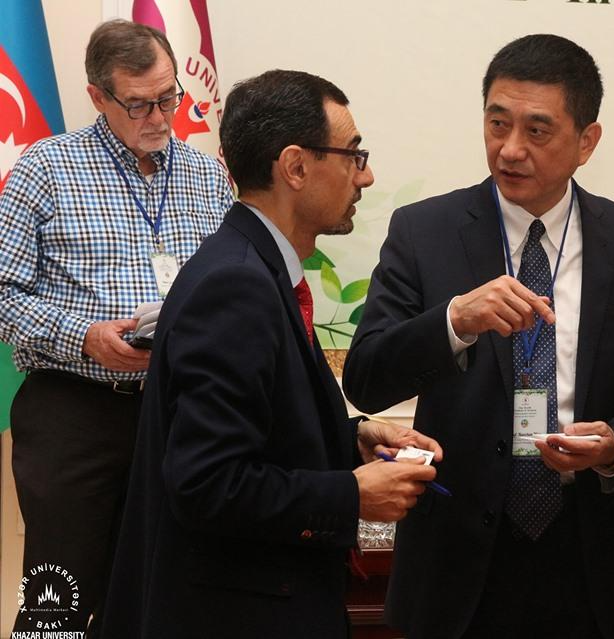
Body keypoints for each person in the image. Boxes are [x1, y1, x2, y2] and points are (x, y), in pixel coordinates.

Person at [343, 34, 614, 639]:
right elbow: (368, 378)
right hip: (454, 555)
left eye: (537, 131)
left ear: (587, 141)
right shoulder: (425, 231)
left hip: (583, 553)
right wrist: (453, 321)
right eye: (497, 123)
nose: (509, 149)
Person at [100, 69, 442, 639]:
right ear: (296, 167)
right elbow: (207, 483)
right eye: (353, 155)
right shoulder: (237, 285)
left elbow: (260, 427)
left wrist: (352, 438)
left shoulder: (254, 268)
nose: (366, 175)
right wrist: (351, 494)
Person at [0, 19, 232, 635]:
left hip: (181, 410)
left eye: (168, 97)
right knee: (60, 603)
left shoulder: (207, 175)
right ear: (98, 97)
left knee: (165, 593)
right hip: (76, 412)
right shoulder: (45, 168)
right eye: (139, 104)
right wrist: (84, 337)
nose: (159, 117)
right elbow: (2, 294)